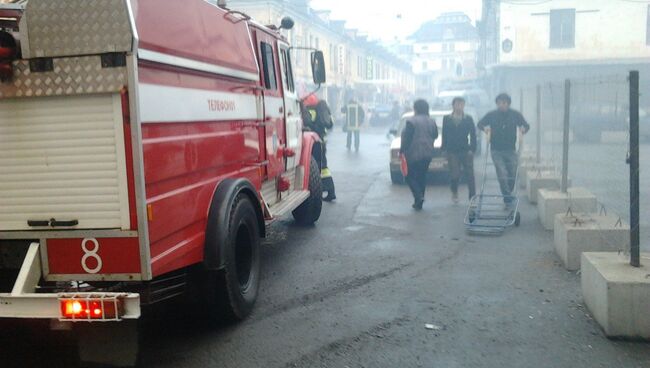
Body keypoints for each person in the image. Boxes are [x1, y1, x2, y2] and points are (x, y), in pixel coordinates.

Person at [477, 93, 530, 205]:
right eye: (500, 103)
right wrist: (485, 128)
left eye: (504, 103)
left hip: (511, 149)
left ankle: (509, 191)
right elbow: (480, 124)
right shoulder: (491, 115)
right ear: (497, 103)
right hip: (496, 150)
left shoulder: (515, 115)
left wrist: (523, 129)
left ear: (508, 104)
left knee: (513, 172)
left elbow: (526, 125)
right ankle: (506, 196)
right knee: (502, 173)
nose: (502, 105)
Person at [400, 99, 438, 210]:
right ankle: (419, 202)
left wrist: (402, 151)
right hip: (428, 153)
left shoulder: (411, 121)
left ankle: (418, 196)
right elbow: (435, 135)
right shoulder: (431, 121)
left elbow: (407, 138)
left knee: (408, 176)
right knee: (422, 176)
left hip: (413, 153)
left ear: (415, 108)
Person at [442, 97, 477, 203]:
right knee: (455, 174)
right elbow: (444, 134)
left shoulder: (468, 118)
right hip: (452, 150)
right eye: (457, 104)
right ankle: (454, 191)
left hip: (465, 149)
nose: (459, 106)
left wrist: (472, 148)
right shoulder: (447, 118)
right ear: (453, 105)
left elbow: (473, 135)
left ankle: (472, 196)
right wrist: (444, 148)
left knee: (470, 174)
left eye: (462, 104)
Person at [302, 94, 336, 201]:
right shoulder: (320, 108)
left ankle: (326, 191)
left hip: (316, 141)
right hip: (321, 140)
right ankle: (330, 192)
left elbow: (308, 123)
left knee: (318, 167)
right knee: (323, 167)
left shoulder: (309, 110)